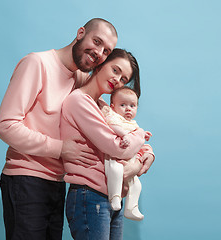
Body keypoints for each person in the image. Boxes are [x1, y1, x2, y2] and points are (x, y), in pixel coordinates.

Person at [0, 18, 118, 240]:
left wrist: (143, 152)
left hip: (59, 183)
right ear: (80, 33)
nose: (99, 52)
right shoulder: (37, 63)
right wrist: (60, 148)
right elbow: (6, 125)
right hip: (26, 178)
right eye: (96, 41)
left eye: (106, 51)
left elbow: (110, 122)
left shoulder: (80, 79)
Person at [60, 48, 155, 240]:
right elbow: (118, 147)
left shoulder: (102, 105)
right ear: (101, 64)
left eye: (123, 78)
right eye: (115, 70)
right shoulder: (79, 101)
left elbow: (128, 132)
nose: (117, 80)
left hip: (110, 196)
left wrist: (147, 152)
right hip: (90, 195)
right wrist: (140, 136)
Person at [102, 86, 154, 221]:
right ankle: (115, 197)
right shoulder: (113, 117)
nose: (128, 109)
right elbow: (112, 126)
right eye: (123, 105)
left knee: (136, 185)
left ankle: (132, 208)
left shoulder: (132, 123)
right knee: (116, 172)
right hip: (113, 159)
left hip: (129, 159)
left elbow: (137, 135)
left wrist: (143, 133)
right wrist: (125, 134)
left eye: (132, 105)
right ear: (113, 107)